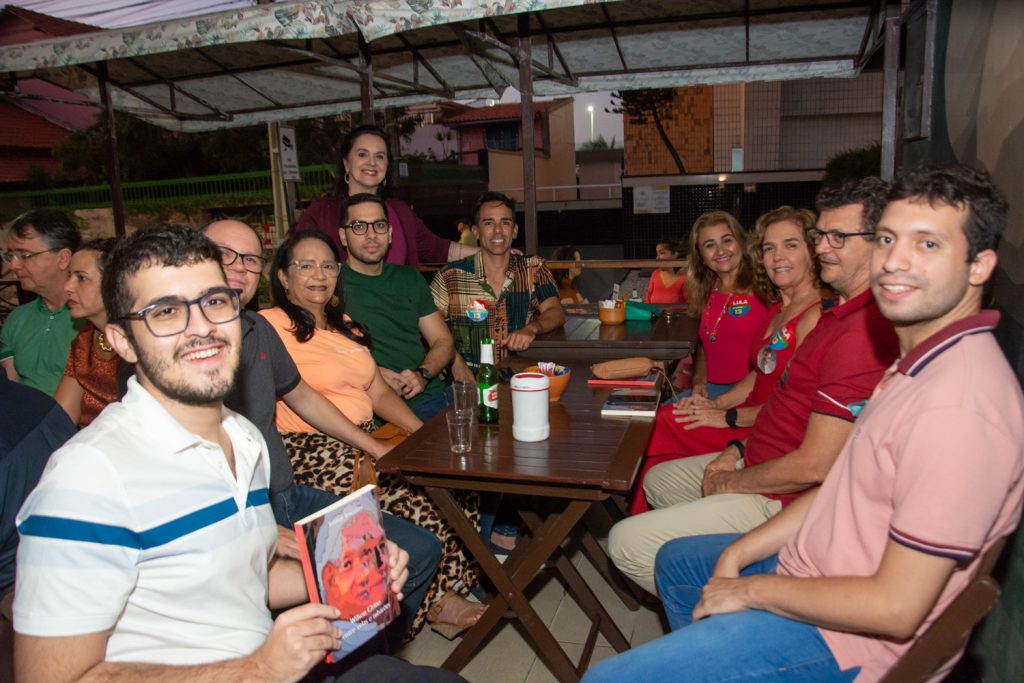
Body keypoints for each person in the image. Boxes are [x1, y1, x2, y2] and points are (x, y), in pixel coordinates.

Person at [584, 162, 1023, 683]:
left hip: (843, 638)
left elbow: (897, 609)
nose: (894, 261)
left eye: (928, 245)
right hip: (815, 562)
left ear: (980, 265)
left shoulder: (960, 406)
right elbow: (841, 481)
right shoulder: (913, 362)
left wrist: (747, 588)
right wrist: (743, 548)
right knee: (679, 562)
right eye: (886, 238)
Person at [13, 225, 460, 683]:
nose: (201, 327)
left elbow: (244, 579)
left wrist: (354, 574)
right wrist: (258, 668)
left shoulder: (244, 439)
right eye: (166, 311)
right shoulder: (86, 478)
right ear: (123, 340)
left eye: (215, 302)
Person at [609, 178, 900, 594]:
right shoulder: (832, 315)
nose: (820, 248)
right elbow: (774, 386)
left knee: (655, 444)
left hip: (784, 492)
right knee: (661, 457)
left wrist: (728, 439)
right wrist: (733, 440)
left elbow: (817, 463)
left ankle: (720, 606)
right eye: (769, 248)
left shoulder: (849, 328)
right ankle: (692, 556)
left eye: (835, 238)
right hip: (755, 447)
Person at [203, 219, 441, 644]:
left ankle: (369, 651)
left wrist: (377, 446)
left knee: (421, 547)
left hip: (284, 491)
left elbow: (304, 397)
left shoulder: (256, 331)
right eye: (224, 255)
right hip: (244, 508)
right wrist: (255, 525)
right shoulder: (189, 340)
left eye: (250, 259)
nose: (238, 268)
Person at [262, 232, 485, 638]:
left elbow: (378, 392)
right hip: (315, 448)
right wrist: (377, 447)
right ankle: (419, 611)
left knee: (453, 479)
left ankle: (439, 594)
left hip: (368, 434)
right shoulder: (268, 326)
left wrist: (421, 435)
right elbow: (300, 396)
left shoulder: (345, 326)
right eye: (306, 266)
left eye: (329, 266)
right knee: (416, 494)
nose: (319, 275)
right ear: (282, 276)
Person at [629, 207, 824, 514]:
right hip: (733, 400)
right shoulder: (721, 291)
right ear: (700, 254)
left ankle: (643, 519)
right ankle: (656, 516)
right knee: (653, 421)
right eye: (770, 248)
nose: (720, 251)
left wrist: (726, 414)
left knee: (661, 425)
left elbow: (792, 405)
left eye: (791, 245)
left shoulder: (774, 294)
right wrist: (704, 392)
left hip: (753, 417)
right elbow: (724, 353)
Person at [339, 194, 455, 422]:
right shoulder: (329, 283)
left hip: (433, 398)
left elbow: (443, 341)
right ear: (343, 236)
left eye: (379, 225)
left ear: (390, 233)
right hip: (374, 412)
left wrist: (422, 375)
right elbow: (319, 353)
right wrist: (372, 375)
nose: (371, 235)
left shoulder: (409, 278)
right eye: (359, 226)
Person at [296, 124, 478, 266]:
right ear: (346, 164)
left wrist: (492, 254)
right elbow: (293, 256)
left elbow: (439, 249)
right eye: (362, 154)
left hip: (400, 311)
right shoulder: (322, 212)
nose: (372, 163)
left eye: (380, 156)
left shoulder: (400, 212)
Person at [430, 191, 566, 381]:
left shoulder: (533, 268)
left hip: (517, 379)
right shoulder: (450, 276)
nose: (498, 230)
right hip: (465, 384)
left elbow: (555, 311)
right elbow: (428, 328)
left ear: (515, 230)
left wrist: (532, 328)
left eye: (505, 222)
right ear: (476, 231)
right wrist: (455, 361)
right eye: (488, 223)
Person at [680, 211, 771, 403]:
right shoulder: (707, 288)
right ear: (701, 256)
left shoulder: (765, 286)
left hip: (749, 395)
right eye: (710, 245)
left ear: (741, 243)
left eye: (727, 240)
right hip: (711, 391)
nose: (720, 251)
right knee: (651, 417)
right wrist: (698, 382)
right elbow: (707, 343)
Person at [0, 208, 82, 395]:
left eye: (24, 255)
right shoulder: (17, 319)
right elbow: (10, 391)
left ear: (63, 258)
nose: (13, 265)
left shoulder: (92, 318)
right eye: (10, 256)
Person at [54, 238, 120, 427]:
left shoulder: (144, 343)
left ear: (114, 284)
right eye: (69, 276)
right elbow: (61, 420)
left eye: (81, 278)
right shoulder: (84, 341)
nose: (67, 287)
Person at [645, 237, 689, 304]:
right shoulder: (655, 274)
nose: (657, 258)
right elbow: (647, 302)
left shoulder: (685, 278)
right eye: (657, 254)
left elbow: (692, 308)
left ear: (675, 254)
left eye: (661, 253)